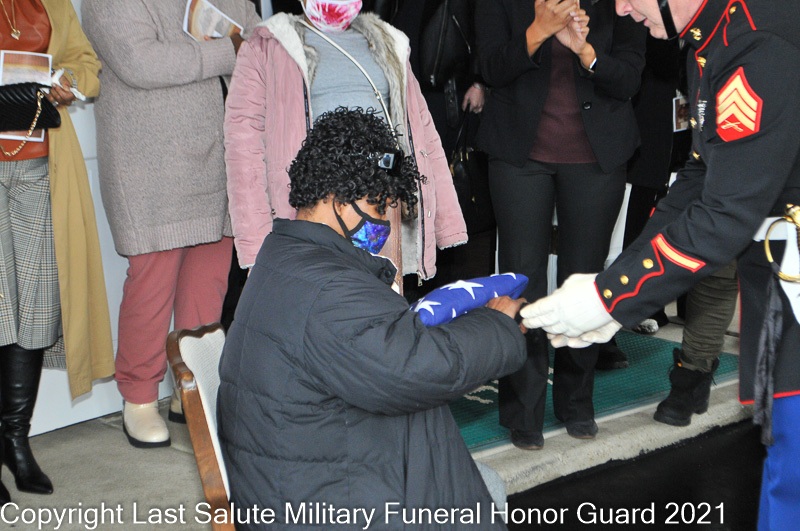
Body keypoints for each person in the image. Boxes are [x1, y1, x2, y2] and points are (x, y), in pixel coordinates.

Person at [520, 1, 800, 528]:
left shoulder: (756, 44)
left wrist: (610, 297)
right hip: (781, 281)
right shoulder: (713, 37)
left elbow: (725, 213)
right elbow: (700, 176)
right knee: (784, 458)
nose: (622, 8)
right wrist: (616, 290)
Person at [218, 108, 527, 529]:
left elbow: (382, 349)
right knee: (472, 484)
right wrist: (496, 325)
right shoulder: (328, 288)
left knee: (474, 479)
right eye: (378, 207)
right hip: (322, 506)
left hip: (302, 478)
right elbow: (413, 368)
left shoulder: (284, 259)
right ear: (338, 200)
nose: (383, 223)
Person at [81, 0, 261, 449]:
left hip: (219, 153)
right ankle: (139, 397)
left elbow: (256, 35)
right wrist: (228, 51)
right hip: (151, 161)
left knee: (209, 279)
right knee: (152, 281)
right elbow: (141, 62)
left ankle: (192, 386)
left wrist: (241, 47)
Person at [474, 0, 646, 449]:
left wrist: (586, 51)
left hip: (598, 156)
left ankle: (577, 402)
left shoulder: (621, 4)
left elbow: (630, 78)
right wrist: (538, 31)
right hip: (519, 155)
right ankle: (523, 410)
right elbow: (489, 67)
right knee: (521, 278)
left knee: (584, 278)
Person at [223, 0, 467, 287]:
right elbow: (243, 151)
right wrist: (256, 249)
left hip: (381, 203)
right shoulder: (268, 45)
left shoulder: (389, 41)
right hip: (317, 209)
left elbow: (424, 131)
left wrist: (447, 222)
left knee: (382, 299)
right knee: (321, 300)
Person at [0, 0, 114, 502]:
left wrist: (68, 79)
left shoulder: (51, 3)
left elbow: (86, 64)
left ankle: (14, 439)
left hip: (41, 168)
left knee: (37, 307)